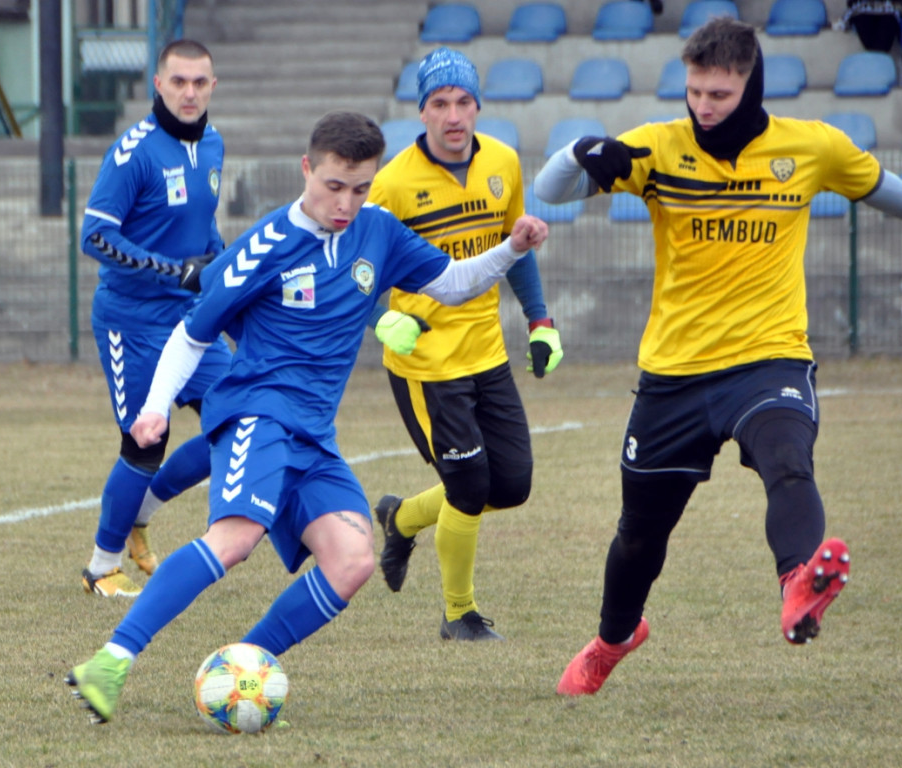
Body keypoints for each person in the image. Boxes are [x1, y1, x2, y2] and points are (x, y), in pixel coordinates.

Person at [65, 110, 549, 724]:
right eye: (333, 186)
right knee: (236, 538)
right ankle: (110, 661)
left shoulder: (379, 232)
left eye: (361, 188)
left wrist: (511, 249)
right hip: (256, 413)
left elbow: (452, 284)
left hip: (314, 434)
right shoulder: (265, 246)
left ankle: (245, 662)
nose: (346, 203)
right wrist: (156, 408)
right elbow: (192, 333)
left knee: (352, 560)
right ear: (306, 170)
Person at [533, 16, 902, 696]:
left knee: (789, 461)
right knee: (640, 536)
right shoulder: (658, 149)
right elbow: (551, 191)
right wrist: (582, 150)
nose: (704, 106)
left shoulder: (809, 147)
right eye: (696, 91)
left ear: (750, 83)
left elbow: (880, 188)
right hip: (673, 372)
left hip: (769, 357)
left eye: (719, 94)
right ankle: (613, 640)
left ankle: (798, 582)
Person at [365, 47, 563, 642]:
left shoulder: (502, 162)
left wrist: (539, 320)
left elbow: (516, 247)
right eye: (439, 104)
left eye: (463, 102)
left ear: (478, 106)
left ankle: (401, 518)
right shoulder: (393, 184)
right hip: (425, 362)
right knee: (470, 487)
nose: (453, 115)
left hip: (487, 354)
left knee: (513, 485)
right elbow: (358, 268)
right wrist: (382, 319)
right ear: (422, 112)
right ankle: (460, 616)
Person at [79, 39, 231, 598]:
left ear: (213, 86)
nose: (189, 92)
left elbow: (206, 230)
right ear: (157, 85)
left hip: (193, 317)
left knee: (238, 420)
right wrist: (176, 271)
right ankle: (101, 567)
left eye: (199, 82)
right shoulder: (133, 153)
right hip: (132, 321)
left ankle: (140, 515)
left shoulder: (213, 143)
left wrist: (224, 273)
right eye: (178, 82)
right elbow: (94, 236)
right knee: (146, 442)